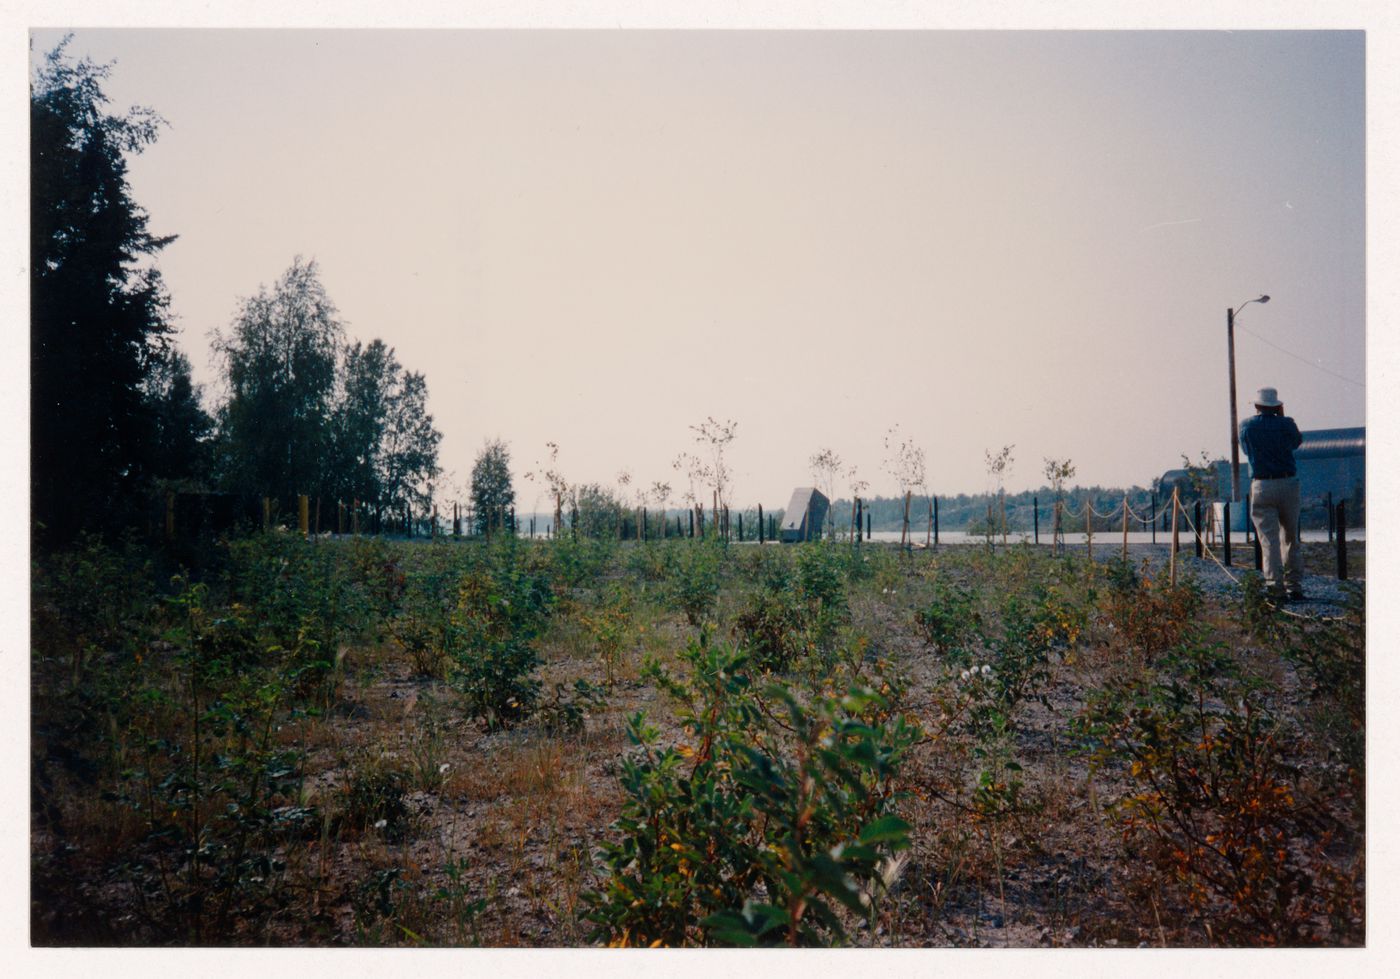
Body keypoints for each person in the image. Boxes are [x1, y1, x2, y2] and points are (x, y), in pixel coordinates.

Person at [1239, 386, 1304, 600]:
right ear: (1277, 406)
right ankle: (1294, 586)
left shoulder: (1246, 426)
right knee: (1291, 537)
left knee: (1269, 540)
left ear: (1257, 405)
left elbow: (1247, 451)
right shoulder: (1287, 424)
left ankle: (1274, 587)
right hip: (1287, 482)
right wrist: (1282, 418)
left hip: (1262, 484)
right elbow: (1296, 443)